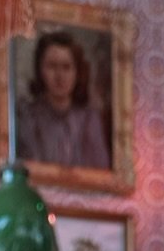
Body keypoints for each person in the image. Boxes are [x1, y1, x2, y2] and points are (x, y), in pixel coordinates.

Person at [21, 31, 111, 170]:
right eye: (52, 66)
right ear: (40, 70)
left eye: (66, 67)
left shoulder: (89, 119)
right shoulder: (29, 116)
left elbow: (99, 170)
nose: (59, 76)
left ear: (77, 72)